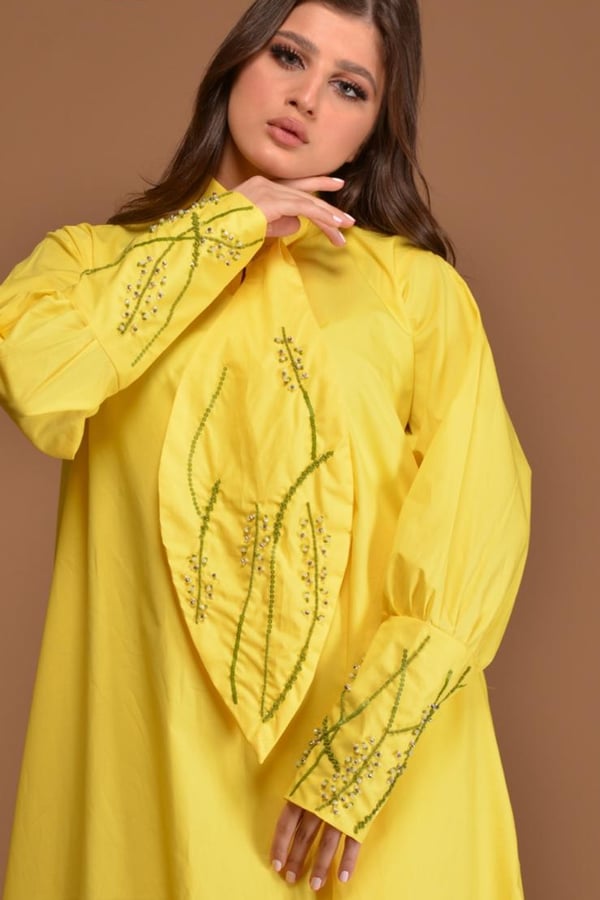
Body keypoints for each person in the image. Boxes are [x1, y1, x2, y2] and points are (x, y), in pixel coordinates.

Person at [0, 0, 531, 897]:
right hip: (155, 779)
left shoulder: (417, 295)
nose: (307, 98)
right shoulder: (89, 267)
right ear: (237, 62)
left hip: (370, 811)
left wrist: (355, 768)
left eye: (349, 87)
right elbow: (41, 380)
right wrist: (227, 227)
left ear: (373, 129)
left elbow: (476, 530)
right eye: (288, 56)